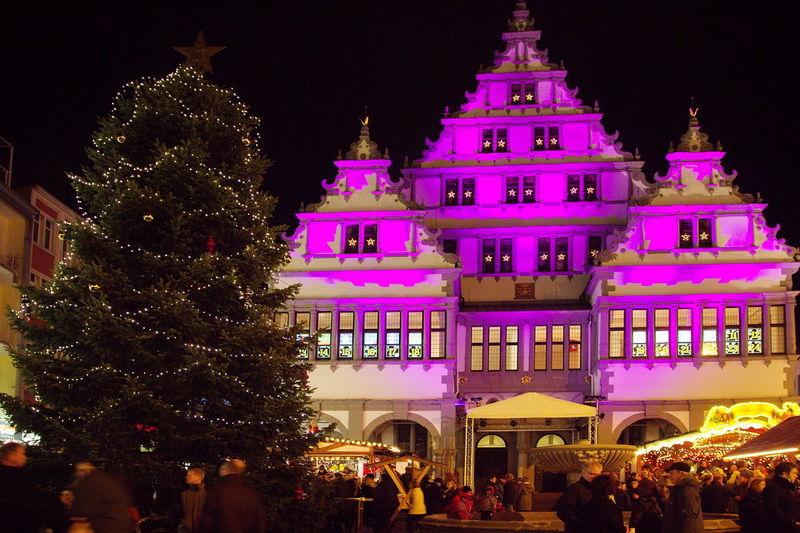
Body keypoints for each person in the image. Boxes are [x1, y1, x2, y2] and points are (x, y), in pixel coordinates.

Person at [197, 459, 266, 533]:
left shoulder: (216, 491)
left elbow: (207, 523)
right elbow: (258, 523)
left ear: (228, 470)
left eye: (222, 469)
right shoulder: (251, 494)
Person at [68, 461, 136, 533]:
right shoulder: (111, 481)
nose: (78, 474)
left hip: (102, 526)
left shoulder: (89, 484)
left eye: (79, 471)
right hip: (120, 525)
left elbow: (85, 509)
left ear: (86, 470)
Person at [0, 442, 41, 533]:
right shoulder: (17, 477)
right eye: (22, 454)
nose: (25, 458)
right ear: (10, 456)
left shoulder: (22, 474)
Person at [554, 461, 601, 533]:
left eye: (598, 474)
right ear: (583, 472)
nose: (596, 477)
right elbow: (563, 510)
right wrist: (579, 523)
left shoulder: (597, 489)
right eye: (593, 474)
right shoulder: (575, 489)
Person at [660, 461, 703, 533]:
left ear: (682, 474)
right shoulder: (680, 489)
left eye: (672, 473)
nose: (669, 476)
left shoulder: (687, 491)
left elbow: (688, 519)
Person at [761, 461, 800, 533]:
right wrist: (792, 521)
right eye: (794, 473)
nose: (796, 476)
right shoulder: (774, 488)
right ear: (785, 474)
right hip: (781, 528)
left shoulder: (786, 487)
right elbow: (773, 509)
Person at [178, 467, 207, 533]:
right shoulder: (183, 493)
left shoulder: (208, 493)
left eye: (189, 475)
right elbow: (177, 511)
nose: (186, 477)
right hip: (186, 530)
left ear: (198, 477)